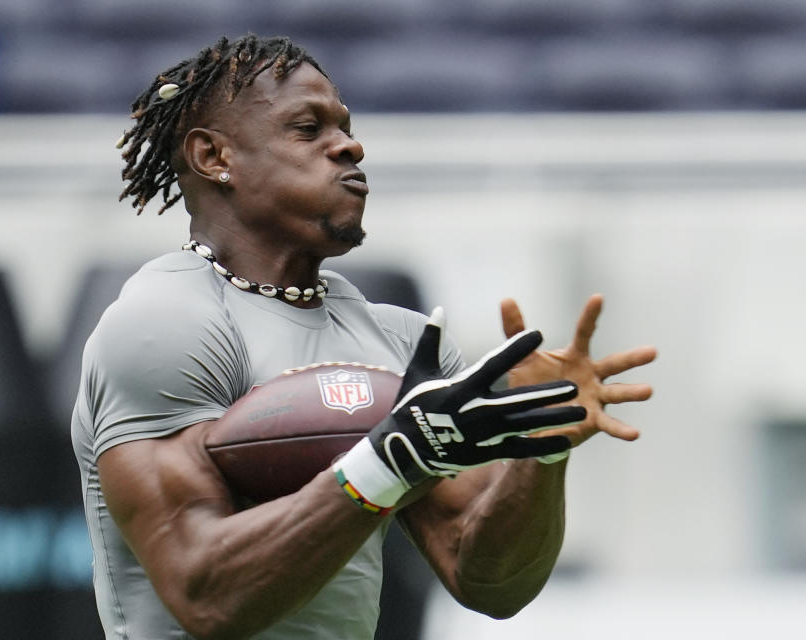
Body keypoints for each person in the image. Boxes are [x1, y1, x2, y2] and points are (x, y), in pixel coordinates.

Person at [71, 34, 656, 640]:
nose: (350, 145)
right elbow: (206, 596)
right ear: (215, 157)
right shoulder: (164, 323)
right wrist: (386, 462)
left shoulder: (402, 342)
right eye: (307, 128)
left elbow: (487, 585)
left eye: (346, 127)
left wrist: (542, 451)